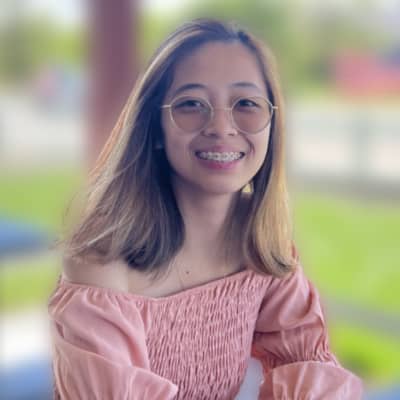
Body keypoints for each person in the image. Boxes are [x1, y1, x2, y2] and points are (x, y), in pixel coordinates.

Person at [48, 19, 363, 399]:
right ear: (156, 128)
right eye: (192, 104)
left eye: (246, 103)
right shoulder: (102, 258)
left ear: (272, 124)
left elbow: (310, 365)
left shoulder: (258, 237)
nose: (221, 127)